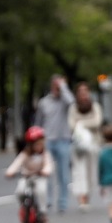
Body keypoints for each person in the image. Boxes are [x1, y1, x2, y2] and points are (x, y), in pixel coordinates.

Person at [35, 75, 75, 213]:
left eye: (59, 86)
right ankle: (48, 200)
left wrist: (63, 86)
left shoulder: (64, 101)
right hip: (47, 141)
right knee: (47, 173)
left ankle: (62, 202)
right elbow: (38, 122)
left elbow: (71, 101)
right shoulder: (44, 102)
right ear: (51, 86)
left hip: (63, 140)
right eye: (56, 86)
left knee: (63, 174)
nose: (57, 89)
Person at [69, 81, 104, 212]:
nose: (83, 94)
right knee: (79, 171)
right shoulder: (73, 108)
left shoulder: (95, 106)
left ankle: (87, 197)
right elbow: (71, 124)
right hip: (78, 145)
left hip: (93, 144)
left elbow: (97, 122)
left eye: (85, 91)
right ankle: (81, 199)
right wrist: (83, 125)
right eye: (80, 92)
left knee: (91, 171)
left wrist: (81, 123)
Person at [4, 125, 53, 213]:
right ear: (31, 145)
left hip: (39, 177)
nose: (39, 146)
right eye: (36, 144)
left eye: (41, 144)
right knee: (20, 191)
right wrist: (10, 172)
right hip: (26, 177)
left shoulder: (44, 154)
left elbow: (48, 164)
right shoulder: (25, 154)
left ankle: (42, 211)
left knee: (41, 191)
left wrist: (45, 171)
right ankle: (23, 207)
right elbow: (17, 163)